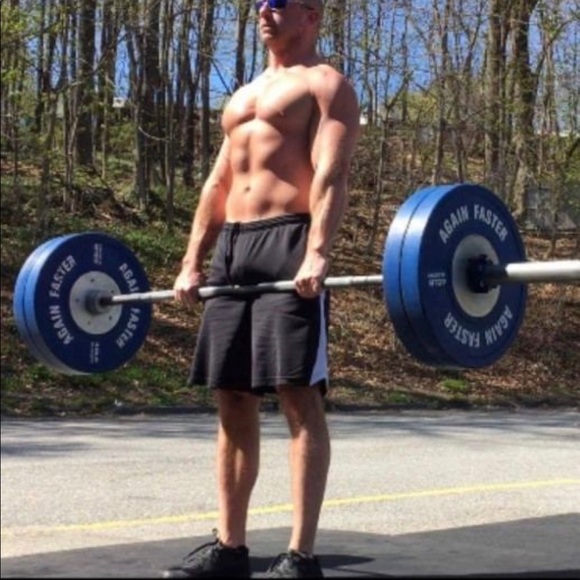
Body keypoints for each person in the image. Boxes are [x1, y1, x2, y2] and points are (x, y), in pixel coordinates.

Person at [165, 0, 360, 577]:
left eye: (278, 3)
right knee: (231, 397)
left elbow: (331, 174)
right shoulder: (244, 95)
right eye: (258, 3)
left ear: (310, 15)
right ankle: (230, 549)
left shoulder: (326, 84)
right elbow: (219, 182)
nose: (263, 12)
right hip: (233, 248)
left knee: (297, 394)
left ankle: (300, 555)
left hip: (289, 241)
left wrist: (318, 250)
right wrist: (192, 261)